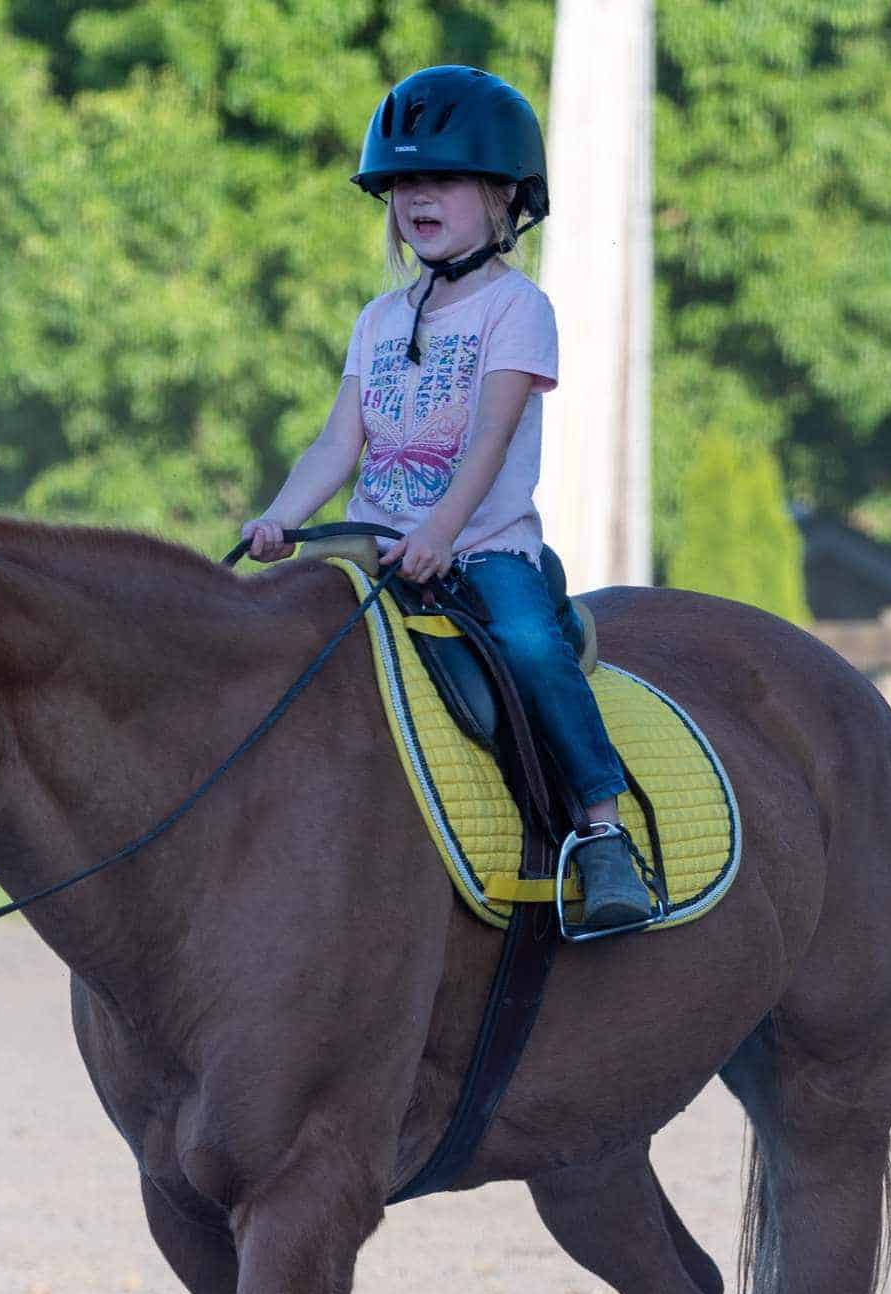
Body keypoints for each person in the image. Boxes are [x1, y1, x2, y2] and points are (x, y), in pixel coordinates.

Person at [239, 64, 647, 932]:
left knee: (533, 648)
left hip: (482, 546)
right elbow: (337, 444)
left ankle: (605, 834)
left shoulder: (518, 309)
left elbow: (488, 441)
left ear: (504, 198)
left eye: (445, 179)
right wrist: (282, 519)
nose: (419, 197)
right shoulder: (377, 319)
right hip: (370, 548)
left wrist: (439, 532)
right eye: (405, 183)